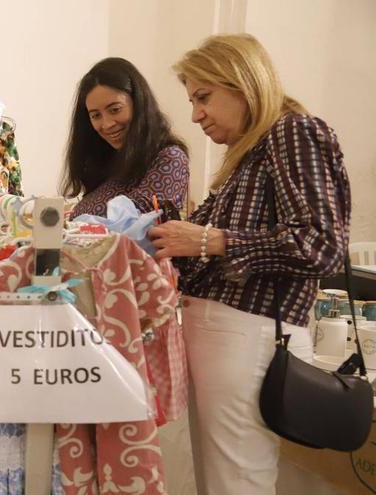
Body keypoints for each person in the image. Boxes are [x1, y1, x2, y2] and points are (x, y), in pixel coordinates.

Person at [148, 34, 350, 494]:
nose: (196, 114)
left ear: (242, 83)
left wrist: (212, 240)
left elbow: (322, 244)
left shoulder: (293, 131)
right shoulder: (249, 154)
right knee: (226, 481)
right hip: (230, 336)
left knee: (236, 482)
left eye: (204, 97)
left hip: (249, 336)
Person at [63, 57, 189, 218]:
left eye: (115, 110)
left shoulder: (169, 158)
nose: (107, 124)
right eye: (96, 115)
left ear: (138, 103)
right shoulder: (110, 161)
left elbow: (133, 226)